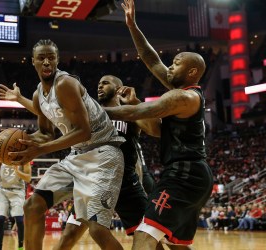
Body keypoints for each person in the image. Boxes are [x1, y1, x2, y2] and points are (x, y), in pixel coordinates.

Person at [0, 74, 160, 249]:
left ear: (119, 87)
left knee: (147, 237)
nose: (99, 86)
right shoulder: (89, 111)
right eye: (98, 83)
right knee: (69, 236)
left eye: (105, 83)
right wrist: (20, 99)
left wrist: (135, 102)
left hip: (124, 182)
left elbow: (154, 129)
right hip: (91, 179)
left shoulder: (128, 110)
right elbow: (50, 112)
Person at [103, 1, 214, 249]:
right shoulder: (180, 90)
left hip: (184, 174)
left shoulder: (182, 97)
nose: (170, 66)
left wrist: (90, 109)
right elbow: (150, 59)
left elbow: (137, 112)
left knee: (144, 234)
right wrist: (132, 26)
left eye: (176, 63)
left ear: (192, 71)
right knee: (177, 245)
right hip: (193, 174)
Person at [0, 39, 125, 250]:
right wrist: (21, 142)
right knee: (32, 206)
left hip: (104, 154)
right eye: (41, 58)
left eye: (51, 57)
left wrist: (39, 150)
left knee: (97, 230)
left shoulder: (65, 83)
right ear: (33, 62)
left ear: (57, 60)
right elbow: (45, 134)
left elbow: (83, 131)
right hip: (77, 156)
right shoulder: (39, 94)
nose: (46, 62)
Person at [0, 157, 32, 250]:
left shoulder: (24, 157)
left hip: (17, 190)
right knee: (0, 219)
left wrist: (17, 171)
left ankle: (20, 247)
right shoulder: (0, 156)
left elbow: (28, 178)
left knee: (20, 220)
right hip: (3, 190)